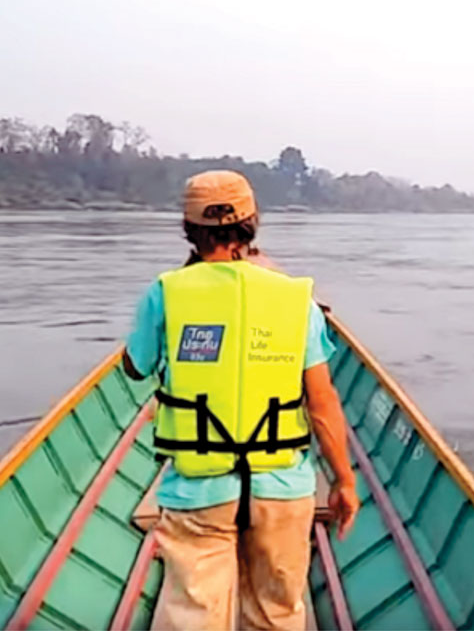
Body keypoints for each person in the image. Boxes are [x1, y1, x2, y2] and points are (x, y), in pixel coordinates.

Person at [122, 170, 359, 630]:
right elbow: (323, 403)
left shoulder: (165, 292)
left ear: (189, 230)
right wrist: (344, 481)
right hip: (282, 490)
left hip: (198, 490)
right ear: (253, 223)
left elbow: (136, 367)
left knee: (193, 616)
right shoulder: (297, 300)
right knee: (277, 613)